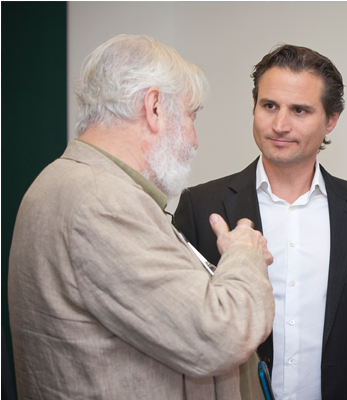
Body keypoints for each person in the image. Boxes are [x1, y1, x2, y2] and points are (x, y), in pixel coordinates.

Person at [8, 34, 275, 400]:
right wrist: (244, 253)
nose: (195, 140)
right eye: (190, 116)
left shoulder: (73, 182)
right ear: (153, 108)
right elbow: (218, 334)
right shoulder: (102, 202)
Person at [174, 44, 347, 400]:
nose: (279, 125)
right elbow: (180, 326)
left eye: (300, 110)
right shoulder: (202, 206)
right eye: (269, 106)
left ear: (331, 120)